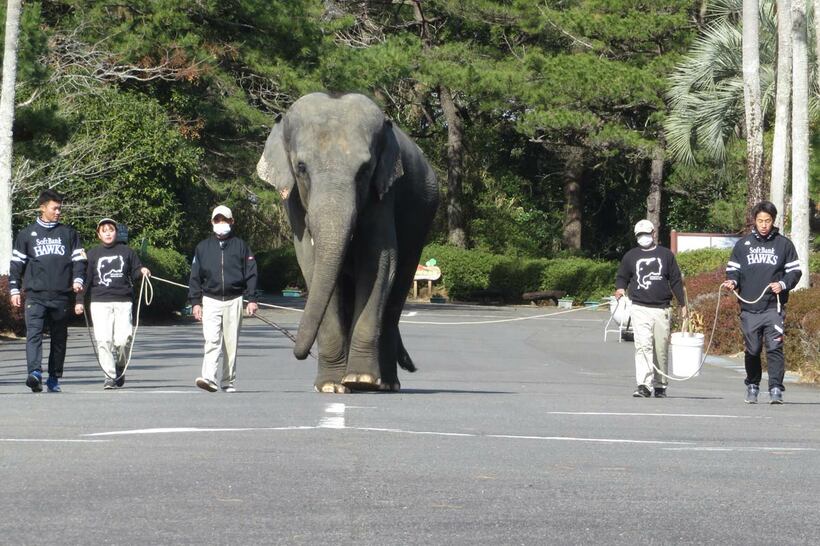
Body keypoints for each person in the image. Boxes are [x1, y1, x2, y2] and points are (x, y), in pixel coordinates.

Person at [722, 201, 803, 404]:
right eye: (760, 221)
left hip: (773, 307)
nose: (764, 224)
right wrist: (732, 281)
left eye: (767, 221)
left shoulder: (784, 244)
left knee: (775, 348)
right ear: (754, 221)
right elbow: (734, 270)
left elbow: (794, 271)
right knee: (753, 349)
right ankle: (752, 384)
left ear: (773, 221)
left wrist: (783, 284)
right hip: (749, 308)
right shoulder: (743, 245)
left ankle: (775, 388)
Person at [8, 189, 86, 393]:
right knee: (34, 335)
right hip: (35, 296)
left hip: (61, 295)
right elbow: (16, 264)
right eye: (55, 208)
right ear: (42, 208)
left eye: (60, 208)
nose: (58, 211)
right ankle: (34, 373)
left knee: (59, 338)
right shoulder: (27, 234)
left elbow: (79, 261)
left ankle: (53, 377)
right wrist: (14, 289)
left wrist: (78, 280)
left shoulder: (69, 234)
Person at [188, 205, 258, 393]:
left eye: (225, 220)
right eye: (217, 220)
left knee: (230, 343)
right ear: (212, 222)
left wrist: (251, 299)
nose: (221, 223)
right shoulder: (202, 247)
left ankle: (228, 381)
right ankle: (209, 377)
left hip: (234, 299)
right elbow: (195, 276)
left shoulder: (241, 246)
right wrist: (195, 302)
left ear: (231, 221)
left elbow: (251, 273)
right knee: (211, 340)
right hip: (210, 299)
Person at [615, 219, 687, 398]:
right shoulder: (630, 256)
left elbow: (676, 280)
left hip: (662, 308)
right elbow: (622, 276)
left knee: (660, 347)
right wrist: (620, 288)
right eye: (640, 235)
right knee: (643, 346)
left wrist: (683, 303)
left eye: (646, 234)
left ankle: (660, 384)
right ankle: (644, 385)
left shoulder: (666, 255)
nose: (644, 237)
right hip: (639, 307)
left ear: (654, 233)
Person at [76, 218, 151, 389]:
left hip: (123, 301)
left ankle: (120, 365)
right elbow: (85, 281)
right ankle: (109, 376)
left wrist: (142, 271)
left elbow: (135, 271)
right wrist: (79, 301)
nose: (108, 233)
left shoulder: (127, 252)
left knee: (123, 340)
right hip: (99, 302)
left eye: (111, 229)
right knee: (103, 340)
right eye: (104, 230)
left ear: (116, 232)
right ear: (99, 234)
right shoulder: (93, 254)